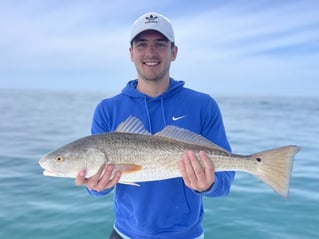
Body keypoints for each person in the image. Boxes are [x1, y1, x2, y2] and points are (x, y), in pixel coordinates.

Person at [76, 12, 235, 239]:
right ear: (131, 53)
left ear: (174, 52)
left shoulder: (203, 105)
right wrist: (95, 186)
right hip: (124, 234)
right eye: (142, 45)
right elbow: (97, 190)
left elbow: (225, 183)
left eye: (160, 44)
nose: (150, 52)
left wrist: (208, 185)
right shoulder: (107, 109)